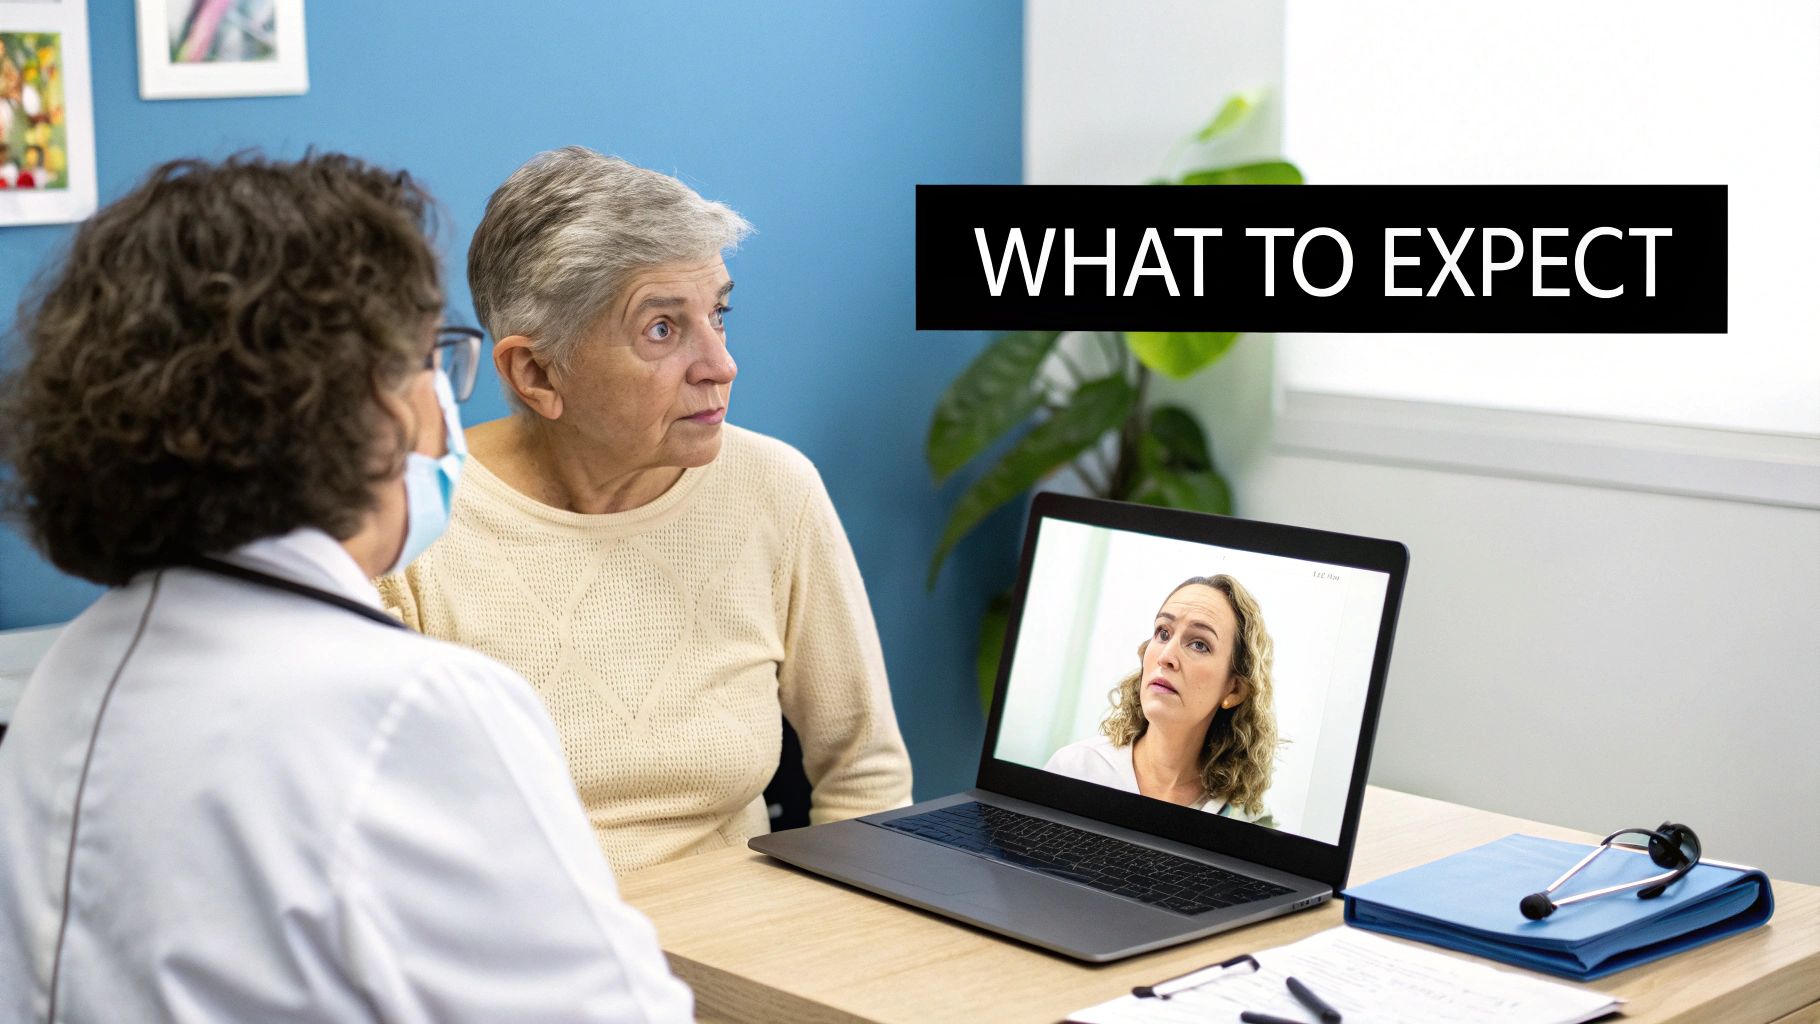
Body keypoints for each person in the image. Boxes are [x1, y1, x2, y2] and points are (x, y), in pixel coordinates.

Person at [0, 154, 691, 1021]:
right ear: (360, 406)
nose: (444, 402)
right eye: (427, 358)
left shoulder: (73, 677)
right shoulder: (415, 707)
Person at [377, 147, 913, 875]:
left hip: (755, 950)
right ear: (536, 373)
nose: (721, 364)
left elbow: (865, 773)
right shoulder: (411, 524)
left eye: (717, 314)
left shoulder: (773, 488)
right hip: (517, 961)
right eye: (662, 329)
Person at [1045, 575, 1279, 825]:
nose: (1166, 656)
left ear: (1233, 690)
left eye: (1199, 644)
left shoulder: (1248, 821)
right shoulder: (1076, 769)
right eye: (1163, 633)